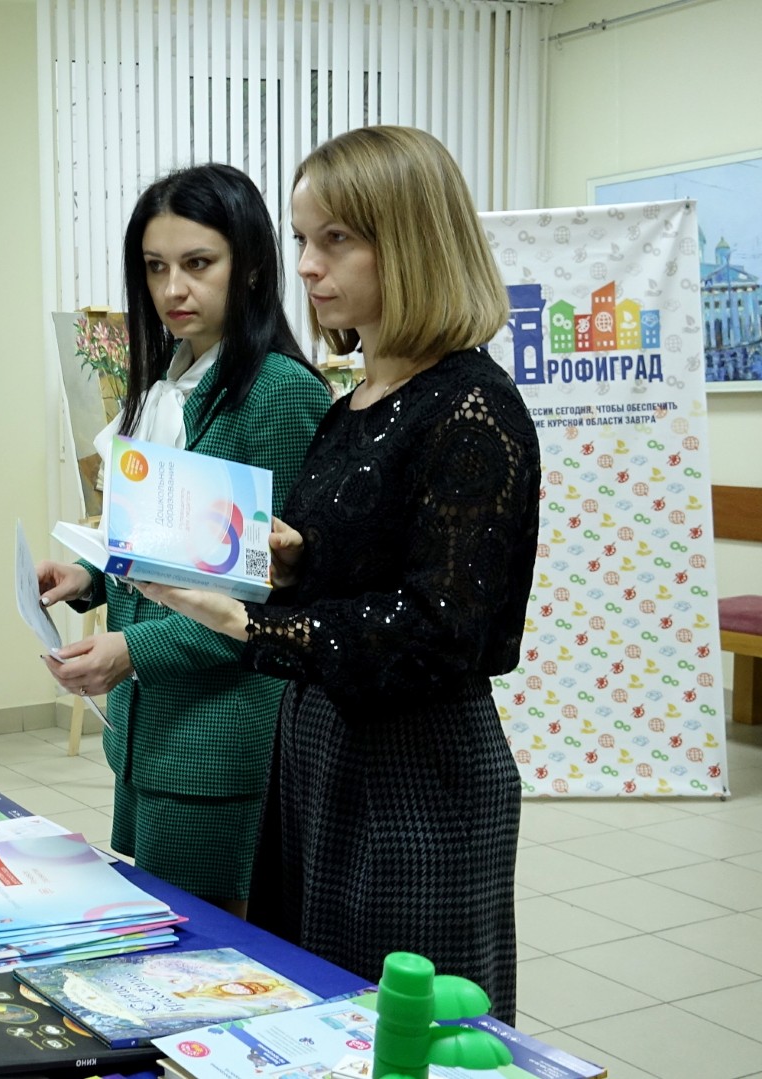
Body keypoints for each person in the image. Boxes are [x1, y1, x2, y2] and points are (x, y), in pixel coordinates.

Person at [137, 126, 539, 1022]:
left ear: (414, 243)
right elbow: (371, 561)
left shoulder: (471, 407)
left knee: (397, 1024)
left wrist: (250, 621)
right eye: (302, 240)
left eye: (337, 240)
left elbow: (444, 628)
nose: (309, 267)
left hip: (415, 774)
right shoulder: (356, 399)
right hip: (319, 749)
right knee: (312, 1005)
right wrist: (299, 561)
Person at [36, 164, 332, 915]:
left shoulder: (278, 392)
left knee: (207, 950)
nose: (173, 289)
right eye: (156, 266)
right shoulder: (171, 376)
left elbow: (266, 596)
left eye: (198, 264)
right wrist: (89, 578)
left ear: (251, 265)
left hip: (218, 738)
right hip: (151, 732)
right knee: (161, 935)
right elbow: (169, 541)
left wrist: (133, 649)